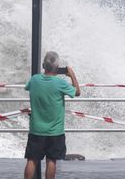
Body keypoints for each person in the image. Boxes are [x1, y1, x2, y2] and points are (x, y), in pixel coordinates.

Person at [24, 51, 80, 179]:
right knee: (51, 161)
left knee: (31, 160)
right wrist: (72, 75)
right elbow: (77, 92)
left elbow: (27, 87)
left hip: (36, 129)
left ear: (44, 65)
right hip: (55, 131)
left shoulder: (34, 79)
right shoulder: (60, 83)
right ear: (57, 67)